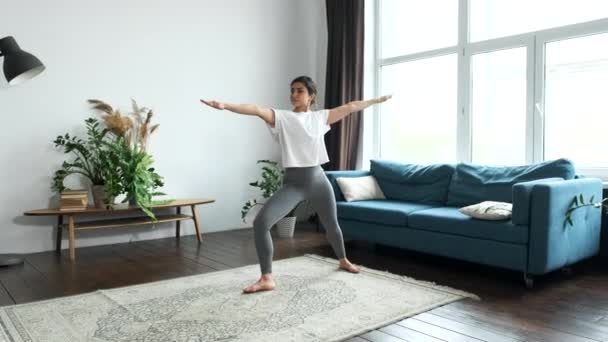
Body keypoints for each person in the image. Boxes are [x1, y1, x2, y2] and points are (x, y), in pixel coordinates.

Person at [200, 76, 392, 293]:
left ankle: (343, 260)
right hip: (294, 184)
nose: (293, 94)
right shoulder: (282, 117)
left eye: (299, 91)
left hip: (319, 180)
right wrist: (225, 105)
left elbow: (350, 107)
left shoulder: (320, 118)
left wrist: (376, 100)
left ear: (311, 96)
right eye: (292, 90)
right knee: (261, 223)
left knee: (331, 225)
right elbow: (255, 109)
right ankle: (267, 277)